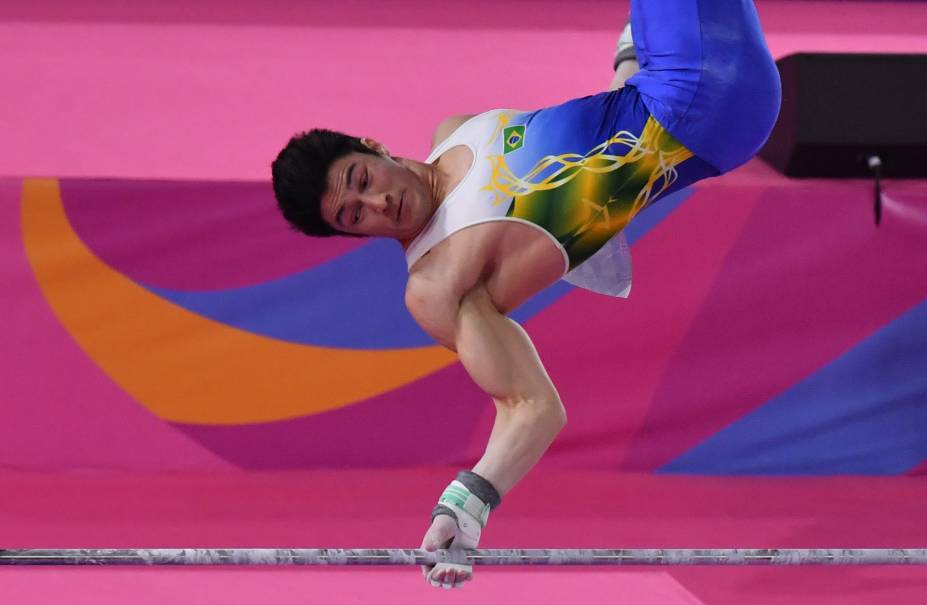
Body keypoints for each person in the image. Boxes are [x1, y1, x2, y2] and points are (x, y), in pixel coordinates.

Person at [271, 0, 781, 590]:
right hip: (697, 105)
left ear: (372, 146)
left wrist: (630, 55)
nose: (379, 206)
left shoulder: (454, 132)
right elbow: (531, 406)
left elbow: (598, 148)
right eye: (354, 216)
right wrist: (467, 505)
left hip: (670, 88)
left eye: (363, 181)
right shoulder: (436, 284)